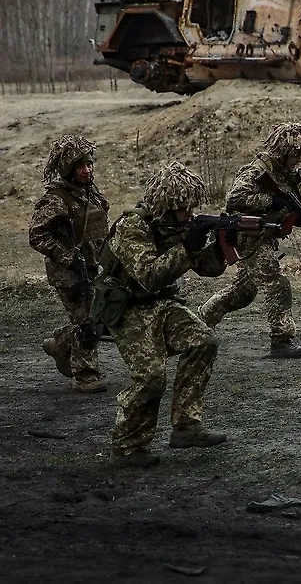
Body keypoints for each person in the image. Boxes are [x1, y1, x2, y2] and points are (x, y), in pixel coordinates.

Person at [94, 162, 229, 468]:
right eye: (184, 209)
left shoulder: (178, 226)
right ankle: (128, 446)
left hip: (161, 303)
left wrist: (221, 248)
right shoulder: (133, 226)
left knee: (203, 341)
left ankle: (186, 426)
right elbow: (148, 276)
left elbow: (207, 268)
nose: (190, 215)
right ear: (166, 207)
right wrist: (187, 246)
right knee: (151, 377)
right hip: (127, 306)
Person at [199, 122, 301, 358]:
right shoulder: (257, 171)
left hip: (264, 235)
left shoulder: (287, 175)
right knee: (276, 282)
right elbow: (235, 199)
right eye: (295, 154)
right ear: (283, 151)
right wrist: (270, 203)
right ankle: (281, 340)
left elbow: (288, 205)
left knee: (243, 292)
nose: (299, 160)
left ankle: (199, 322)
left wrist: (296, 217)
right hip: (248, 235)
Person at [28, 135, 111, 393]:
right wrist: (67, 257)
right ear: (68, 169)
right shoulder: (56, 199)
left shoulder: (90, 193)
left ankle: (61, 344)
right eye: (80, 166)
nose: (87, 170)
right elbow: (37, 234)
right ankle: (85, 376)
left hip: (94, 266)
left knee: (97, 317)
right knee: (86, 320)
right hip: (69, 274)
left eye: (89, 165)